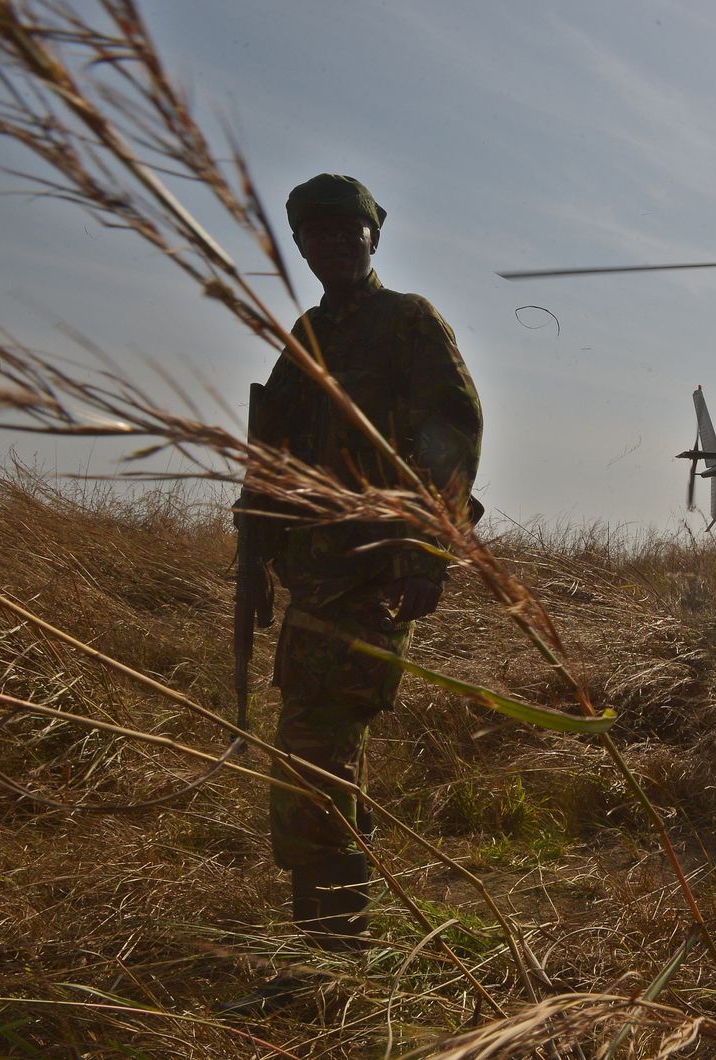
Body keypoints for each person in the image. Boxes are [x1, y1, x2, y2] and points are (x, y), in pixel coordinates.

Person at [223, 174, 482, 1014]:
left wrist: (426, 555)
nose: (332, 244)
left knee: (315, 762)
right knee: (312, 762)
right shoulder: (306, 337)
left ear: (374, 237)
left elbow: (453, 433)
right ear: (301, 245)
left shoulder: (407, 322)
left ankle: (333, 969)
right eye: (316, 234)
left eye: (347, 232)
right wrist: (259, 548)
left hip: (372, 582)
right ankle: (330, 956)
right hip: (313, 583)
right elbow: (275, 456)